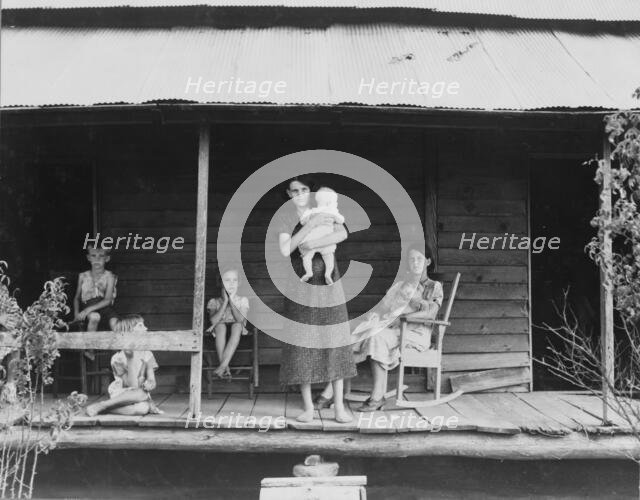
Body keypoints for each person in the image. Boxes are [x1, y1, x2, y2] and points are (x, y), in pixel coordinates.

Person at [317, 245, 443, 412]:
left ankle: (377, 396)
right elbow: (382, 308)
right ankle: (331, 391)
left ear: (428, 261)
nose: (415, 262)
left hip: (415, 332)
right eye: (411, 259)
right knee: (353, 337)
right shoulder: (400, 286)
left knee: (378, 337)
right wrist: (374, 317)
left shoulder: (433, 287)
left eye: (419, 259)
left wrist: (400, 318)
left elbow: (430, 314)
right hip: (391, 330)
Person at [278, 176, 357, 423]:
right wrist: (310, 226)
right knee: (303, 343)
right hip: (302, 286)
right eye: (295, 191)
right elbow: (285, 249)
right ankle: (309, 407)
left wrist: (310, 242)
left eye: (304, 190)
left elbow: (342, 233)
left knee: (335, 340)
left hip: (330, 282)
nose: (300, 194)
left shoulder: (325, 209)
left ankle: (339, 409)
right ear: (288, 194)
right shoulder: (285, 218)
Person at [85, 315, 162, 416]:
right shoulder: (118, 359)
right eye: (140, 326)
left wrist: (150, 384)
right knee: (141, 394)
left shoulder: (147, 353)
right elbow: (131, 385)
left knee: (142, 409)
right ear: (128, 333)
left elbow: (152, 380)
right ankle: (104, 405)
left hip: (140, 395)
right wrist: (130, 359)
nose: (146, 328)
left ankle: (104, 407)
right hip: (122, 393)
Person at [206, 268, 250, 379]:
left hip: (237, 327)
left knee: (237, 325)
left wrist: (231, 301)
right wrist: (225, 302)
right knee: (220, 326)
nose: (231, 283)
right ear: (220, 283)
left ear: (239, 283)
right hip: (220, 329)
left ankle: (222, 367)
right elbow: (213, 321)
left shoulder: (243, 300)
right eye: (227, 280)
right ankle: (224, 367)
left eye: (234, 280)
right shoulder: (214, 301)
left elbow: (240, 319)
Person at [299, 187, 345, 285]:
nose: (336, 204)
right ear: (329, 202)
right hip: (326, 238)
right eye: (335, 202)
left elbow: (303, 221)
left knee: (306, 257)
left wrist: (310, 219)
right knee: (329, 257)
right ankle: (328, 274)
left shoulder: (311, 211)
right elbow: (341, 220)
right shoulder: (332, 212)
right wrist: (336, 216)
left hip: (312, 238)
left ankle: (308, 272)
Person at [73, 247, 118, 333]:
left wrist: (87, 310)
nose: (97, 259)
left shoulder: (110, 276)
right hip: (88, 305)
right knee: (94, 317)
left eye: (101, 256)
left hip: (105, 307)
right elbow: (77, 298)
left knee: (115, 323)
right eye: (93, 255)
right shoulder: (83, 276)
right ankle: (90, 346)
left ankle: (117, 346)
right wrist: (76, 314)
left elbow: (108, 300)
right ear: (88, 257)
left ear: (107, 258)